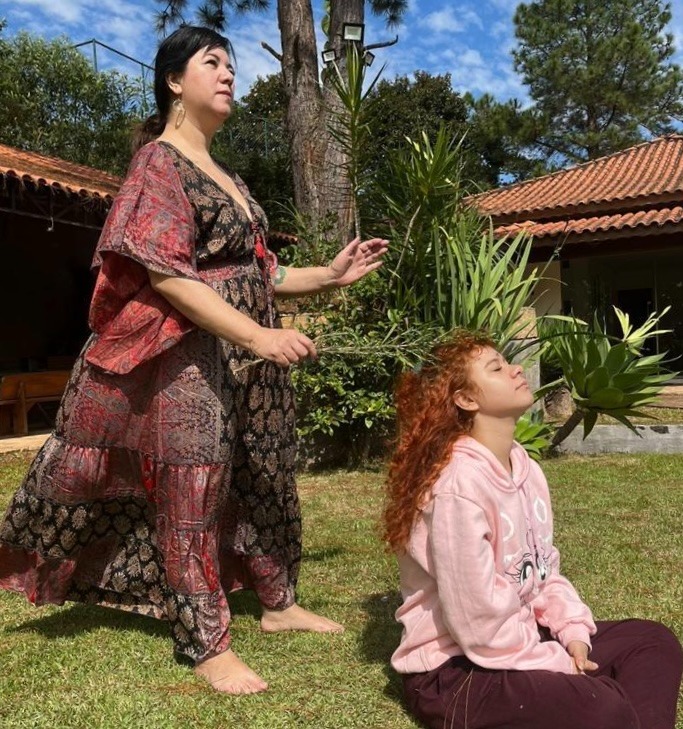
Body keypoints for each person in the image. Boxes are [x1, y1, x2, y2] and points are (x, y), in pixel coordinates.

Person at [0, 25, 387, 695]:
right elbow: (166, 275)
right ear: (174, 81)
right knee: (192, 489)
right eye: (213, 62)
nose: (229, 73)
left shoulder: (228, 177)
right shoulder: (159, 163)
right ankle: (205, 641)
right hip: (188, 357)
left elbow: (261, 271)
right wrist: (258, 337)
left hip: (247, 360)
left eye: (230, 63)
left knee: (265, 472)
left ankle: (278, 601)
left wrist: (328, 275)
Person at [383, 330, 683, 729]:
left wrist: (573, 634)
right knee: (603, 706)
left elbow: (543, 571)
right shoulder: (457, 485)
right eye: (496, 368)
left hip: (523, 640)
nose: (516, 369)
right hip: (456, 673)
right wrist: (558, 663)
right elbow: (475, 623)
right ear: (466, 399)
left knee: (651, 642)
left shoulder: (525, 469)